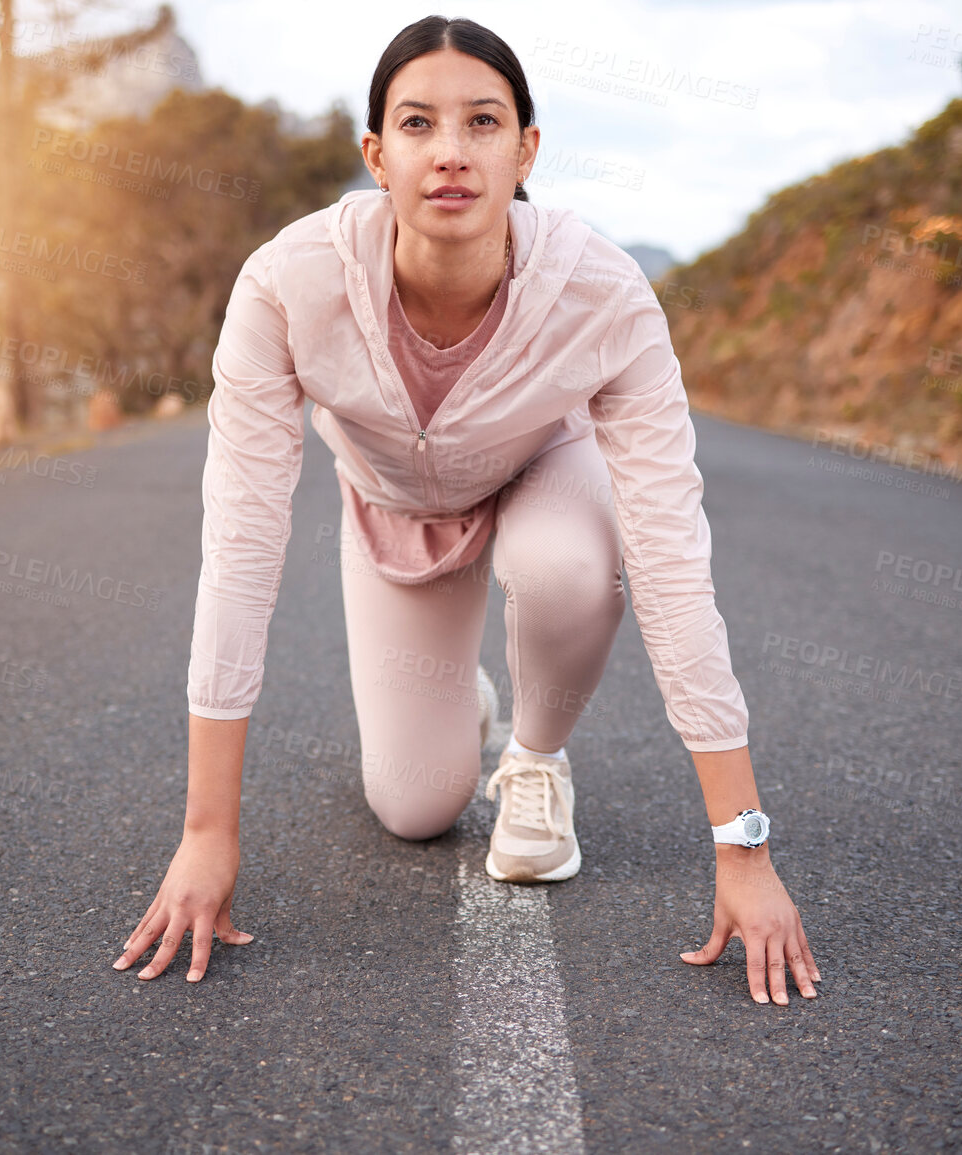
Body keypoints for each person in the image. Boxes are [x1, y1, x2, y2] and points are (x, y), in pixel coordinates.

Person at [113, 15, 820, 1005]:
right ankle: (463, 708)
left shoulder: (603, 293)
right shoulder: (287, 285)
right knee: (414, 807)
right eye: (417, 124)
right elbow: (240, 548)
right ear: (377, 154)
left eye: (483, 122)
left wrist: (742, 848)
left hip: (545, 477)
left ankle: (534, 756)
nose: (450, 152)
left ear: (527, 148)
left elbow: (670, 558)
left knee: (570, 570)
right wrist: (205, 834)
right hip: (396, 511)